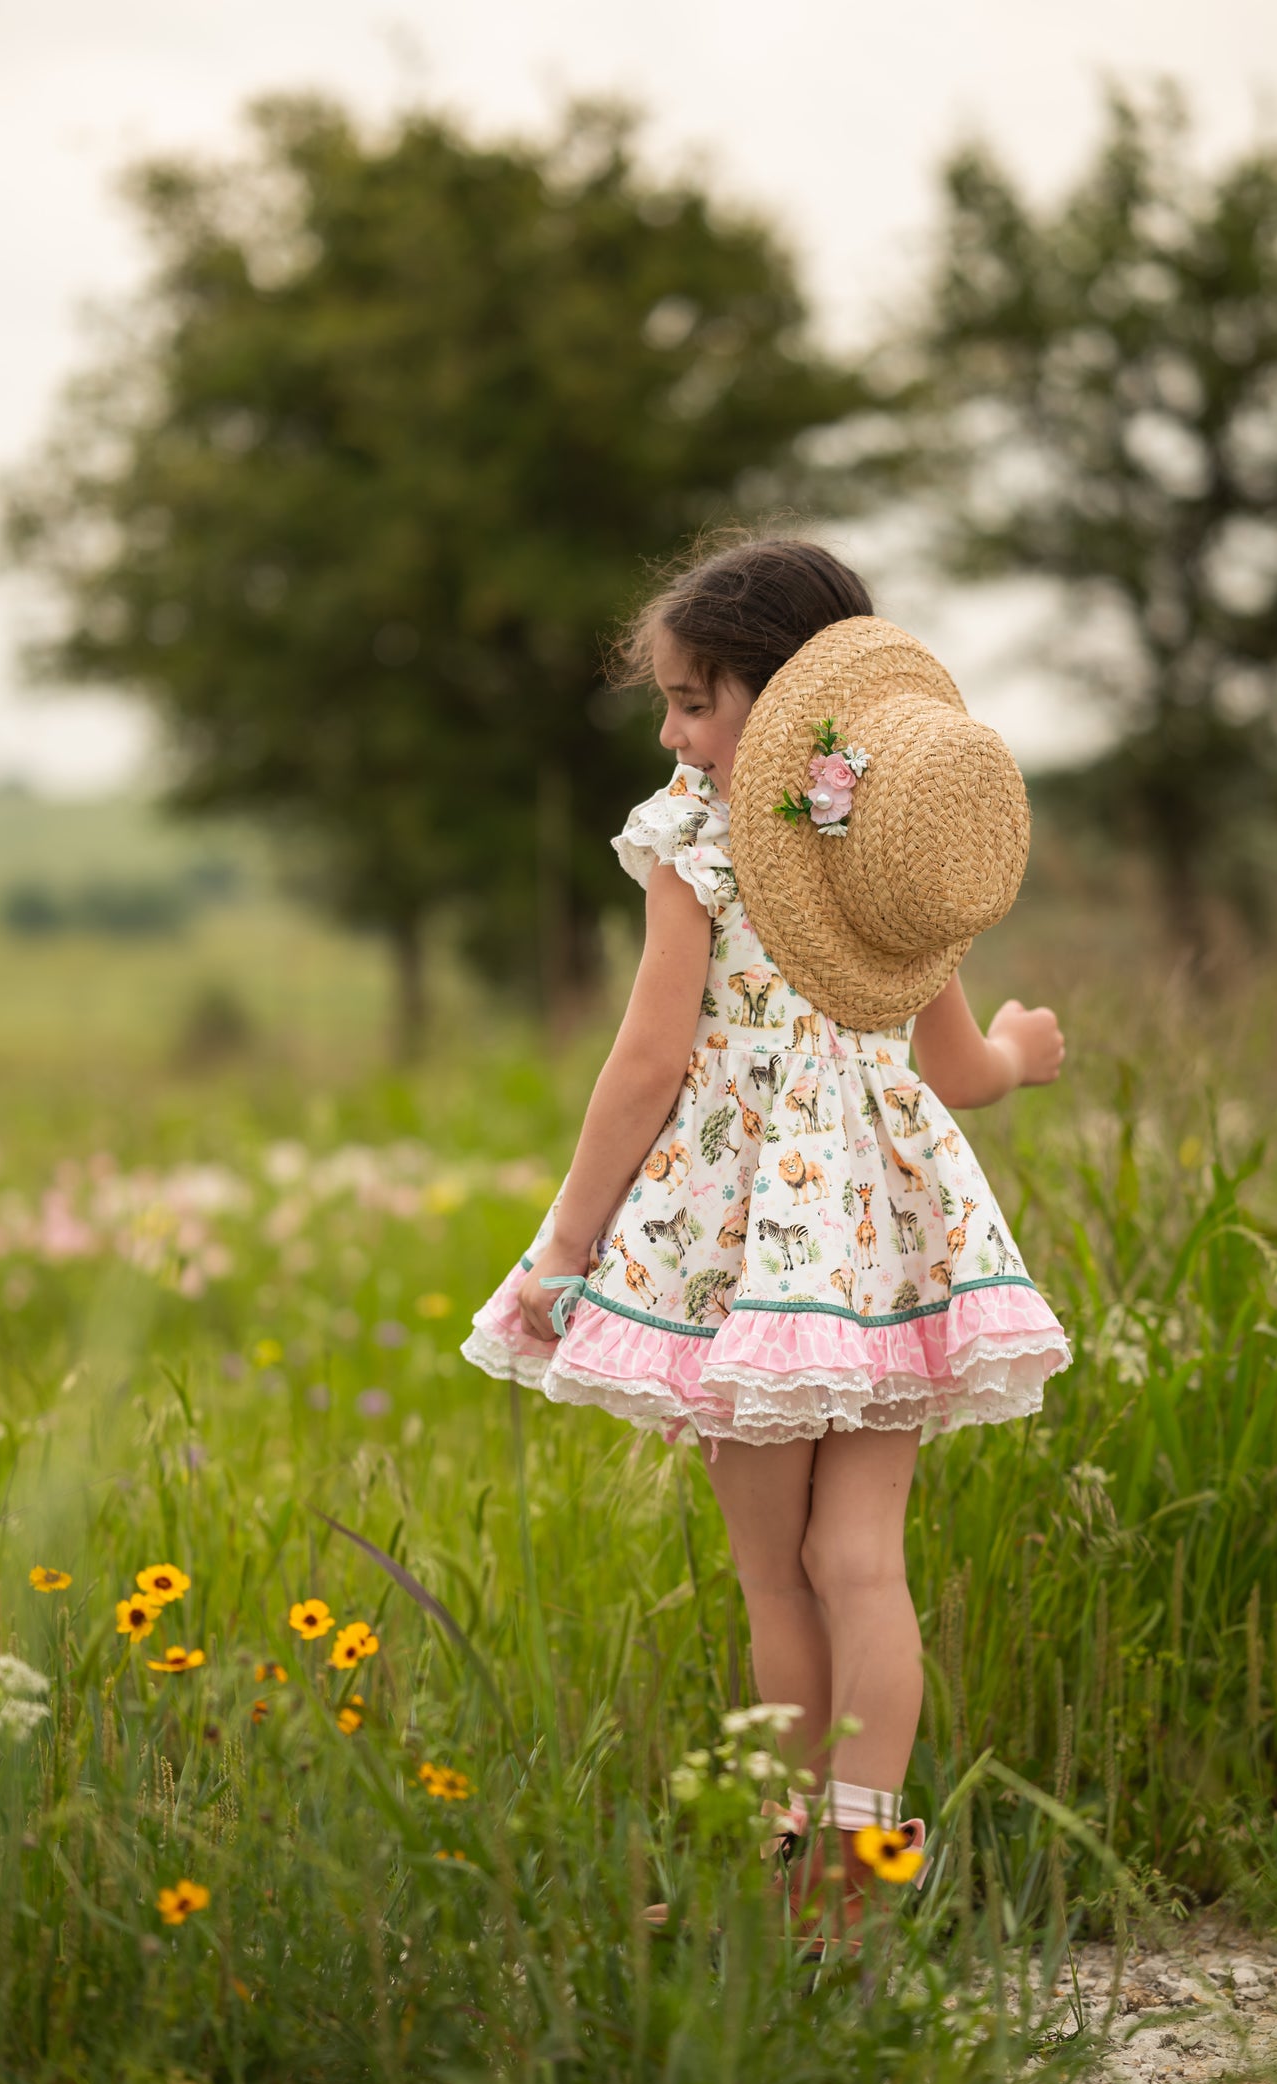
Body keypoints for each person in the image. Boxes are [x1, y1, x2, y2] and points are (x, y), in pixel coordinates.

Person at [463, 536, 1071, 1943]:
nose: (676, 733)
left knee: (773, 1572)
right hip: (888, 1253)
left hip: (751, 1258)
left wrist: (565, 1243)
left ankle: (786, 1871)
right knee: (864, 1561)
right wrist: (1027, 1052)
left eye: (695, 698)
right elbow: (960, 1064)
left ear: (779, 693)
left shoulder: (696, 838)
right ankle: (850, 1886)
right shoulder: (887, 845)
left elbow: (647, 1059)